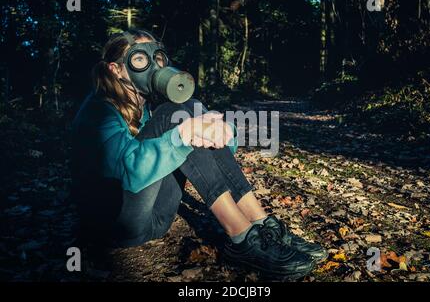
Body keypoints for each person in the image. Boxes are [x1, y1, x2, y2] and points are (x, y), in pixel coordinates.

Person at [70, 28, 327, 279]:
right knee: (177, 118)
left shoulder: (151, 105)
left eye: (157, 58)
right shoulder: (98, 110)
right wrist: (182, 133)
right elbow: (127, 173)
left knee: (186, 109)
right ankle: (241, 237)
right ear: (116, 69)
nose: (152, 67)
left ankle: (261, 224)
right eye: (139, 59)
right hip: (116, 225)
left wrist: (220, 129)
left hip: (157, 217)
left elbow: (219, 149)